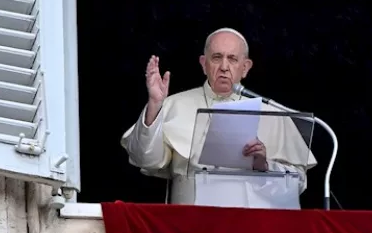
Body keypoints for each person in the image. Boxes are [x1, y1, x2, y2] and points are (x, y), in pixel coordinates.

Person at [120, 28, 317, 206]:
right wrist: (155, 104)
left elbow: (297, 184)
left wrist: (264, 166)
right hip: (193, 227)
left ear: (246, 67)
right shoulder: (174, 105)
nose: (224, 66)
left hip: (256, 229)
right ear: (204, 64)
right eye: (216, 57)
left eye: (232, 59)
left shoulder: (273, 113)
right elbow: (144, 159)